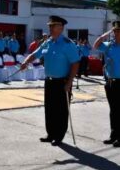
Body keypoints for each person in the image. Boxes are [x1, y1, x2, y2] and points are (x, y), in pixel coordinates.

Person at [20, 15, 80, 146]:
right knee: (50, 108)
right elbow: (35, 54)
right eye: (50, 26)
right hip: (50, 81)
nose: (50, 28)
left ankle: (59, 136)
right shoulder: (48, 42)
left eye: (53, 26)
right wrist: (25, 62)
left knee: (61, 110)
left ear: (61, 28)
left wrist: (69, 82)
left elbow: (75, 64)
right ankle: (50, 133)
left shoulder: (67, 44)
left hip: (63, 82)